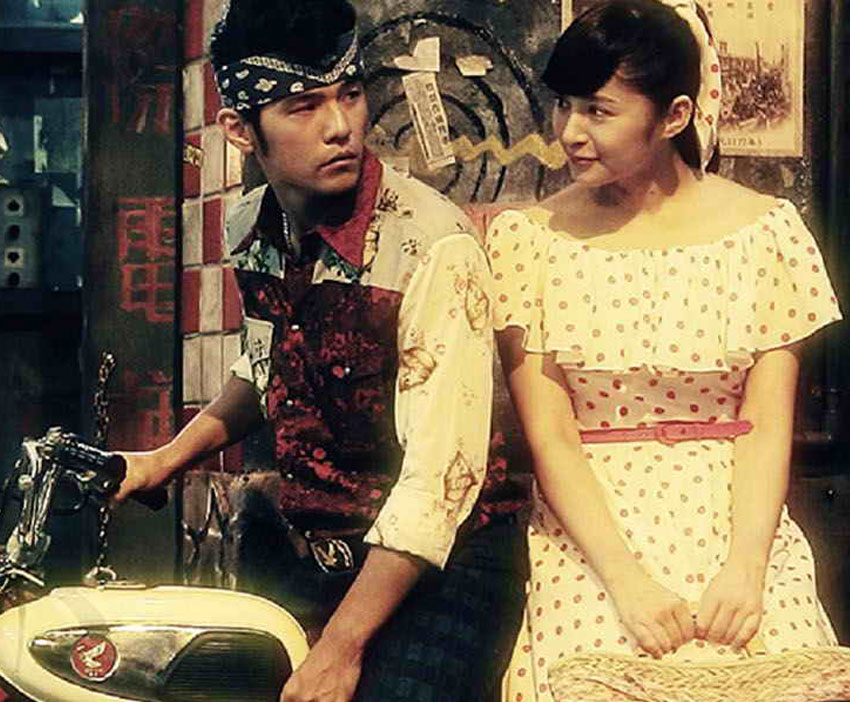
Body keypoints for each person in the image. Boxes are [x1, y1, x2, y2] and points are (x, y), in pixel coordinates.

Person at [114, 0, 528, 700]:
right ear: (240, 130)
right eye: (303, 107)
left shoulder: (434, 245)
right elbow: (266, 367)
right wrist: (165, 459)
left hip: (443, 570)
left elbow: (439, 483)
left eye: (350, 95)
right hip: (318, 554)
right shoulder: (250, 225)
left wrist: (338, 650)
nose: (340, 127)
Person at [486, 1, 850, 700]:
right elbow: (551, 434)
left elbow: (766, 422)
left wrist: (746, 567)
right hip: (592, 528)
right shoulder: (528, 241)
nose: (571, 132)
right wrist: (627, 581)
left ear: (675, 115)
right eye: (564, 106)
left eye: (599, 111)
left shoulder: (767, 232)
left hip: (737, 514)